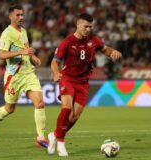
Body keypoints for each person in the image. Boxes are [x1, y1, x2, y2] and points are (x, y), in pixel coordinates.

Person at [48, 13, 122, 157]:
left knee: (75, 116)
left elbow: (105, 49)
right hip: (68, 78)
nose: (88, 29)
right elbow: (54, 61)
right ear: (78, 25)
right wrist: (56, 73)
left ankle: (54, 134)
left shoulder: (93, 39)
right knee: (67, 108)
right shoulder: (67, 42)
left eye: (90, 27)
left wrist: (113, 52)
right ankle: (61, 142)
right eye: (85, 26)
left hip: (83, 82)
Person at [0, 4, 48, 148]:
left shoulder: (23, 31)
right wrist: (21, 53)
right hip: (14, 76)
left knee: (40, 103)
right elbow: (2, 55)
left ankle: (40, 138)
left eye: (22, 15)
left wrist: (33, 57)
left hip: (28, 73)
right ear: (10, 16)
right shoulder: (7, 33)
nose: (21, 17)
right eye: (18, 15)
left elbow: (27, 49)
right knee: (9, 109)